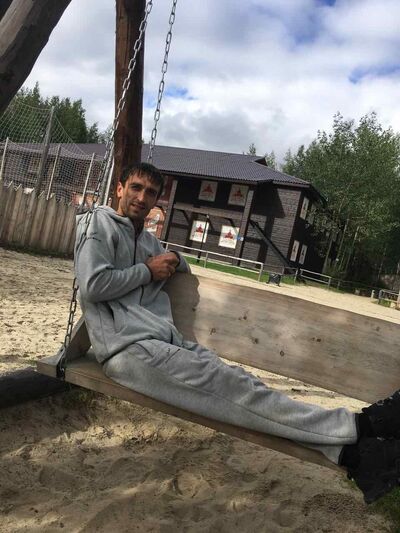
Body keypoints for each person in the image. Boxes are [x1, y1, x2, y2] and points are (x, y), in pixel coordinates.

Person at [75, 162, 400, 504]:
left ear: (158, 199)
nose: (142, 197)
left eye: (151, 192)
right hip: (128, 352)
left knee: (243, 384)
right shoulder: (98, 225)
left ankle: (354, 458)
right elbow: (93, 285)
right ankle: (363, 425)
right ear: (119, 189)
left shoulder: (148, 240)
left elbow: (176, 265)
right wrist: (146, 270)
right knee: (234, 390)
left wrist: (173, 259)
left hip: (164, 343)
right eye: (136, 188)